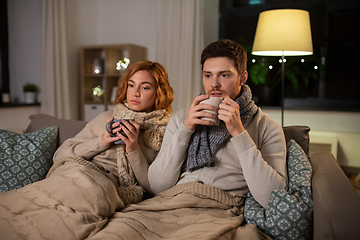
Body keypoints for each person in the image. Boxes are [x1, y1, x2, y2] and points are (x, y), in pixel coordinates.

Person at [148, 39, 287, 209]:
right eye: (208, 75)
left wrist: (240, 134)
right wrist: (185, 129)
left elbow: (274, 198)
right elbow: (157, 186)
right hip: (173, 202)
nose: (214, 84)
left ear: (242, 78)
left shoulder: (266, 126)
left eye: (224, 75)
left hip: (221, 208)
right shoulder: (181, 119)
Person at [54, 60, 174, 204]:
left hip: (102, 190)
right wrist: (102, 141)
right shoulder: (107, 118)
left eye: (145, 88)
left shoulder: (161, 135)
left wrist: (133, 150)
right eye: (131, 85)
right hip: (74, 173)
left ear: (159, 93)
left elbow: (154, 189)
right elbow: (59, 155)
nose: (135, 93)